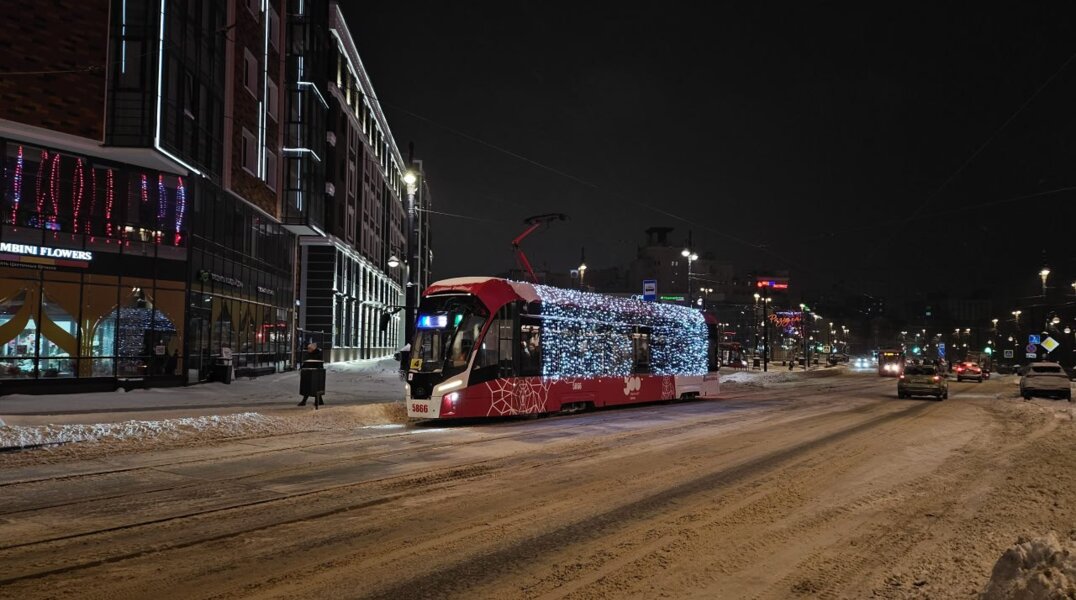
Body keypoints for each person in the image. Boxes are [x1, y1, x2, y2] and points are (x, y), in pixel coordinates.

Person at [298, 341, 324, 407]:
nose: (308, 350)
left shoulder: (317, 354)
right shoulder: (310, 354)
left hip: (315, 373)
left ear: (313, 349)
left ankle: (314, 401)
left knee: (314, 387)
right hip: (309, 372)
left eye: (309, 349)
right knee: (311, 387)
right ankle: (319, 401)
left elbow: (317, 363)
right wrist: (302, 368)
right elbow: (306, 362)